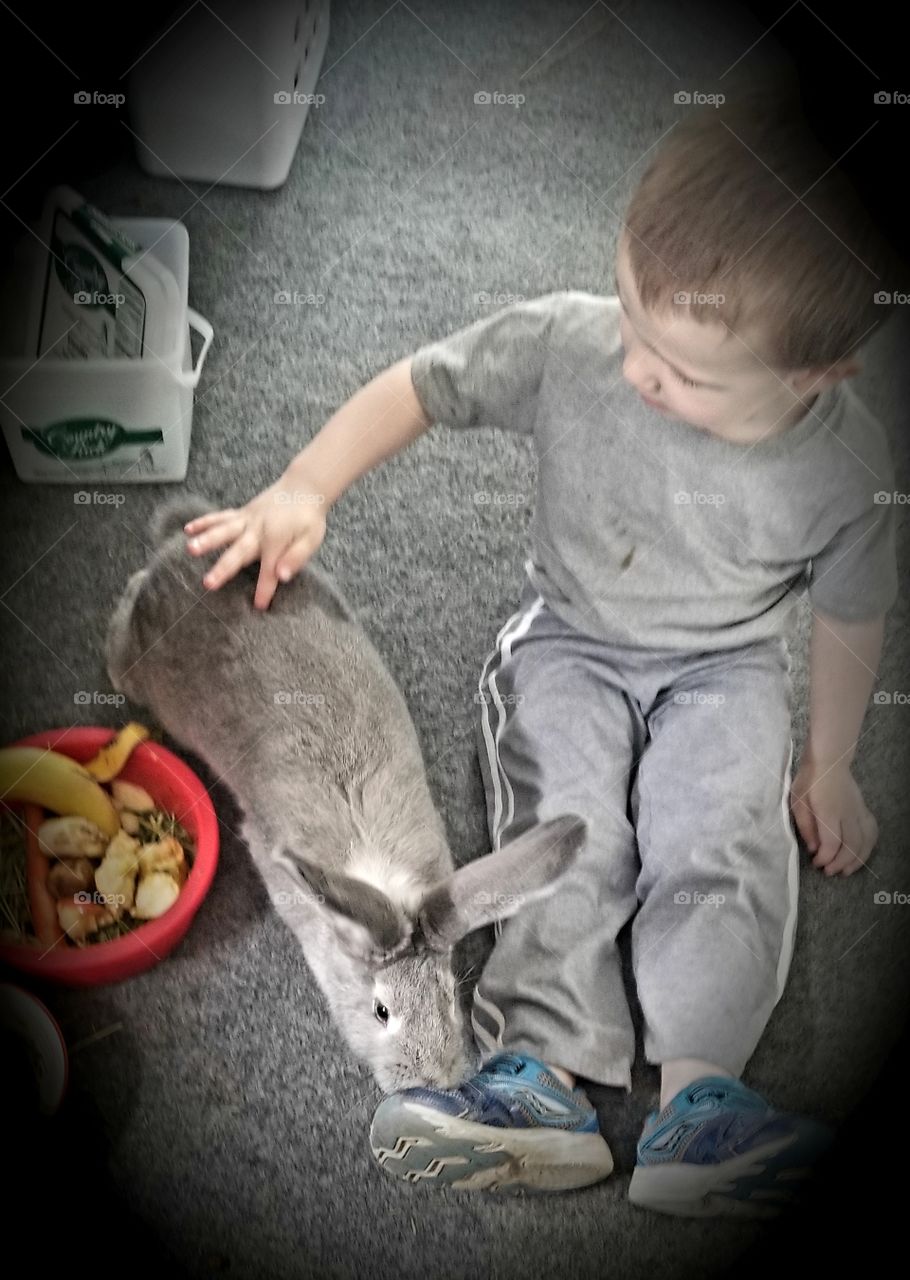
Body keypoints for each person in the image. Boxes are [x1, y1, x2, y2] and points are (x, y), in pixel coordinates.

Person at [183, 89, 902, 1216]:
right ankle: (540, 1078)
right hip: (570, 637)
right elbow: (424, 381)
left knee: (722, 836)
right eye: (632, 318)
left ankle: (704, 1102)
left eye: (684, 372)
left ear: (813, 378)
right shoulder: (576, 340)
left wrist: (831, 763)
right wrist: (302, 486)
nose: (637, 371)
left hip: (730, 669)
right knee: (564, 827)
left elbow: (853, 616)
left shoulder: (847, 470)